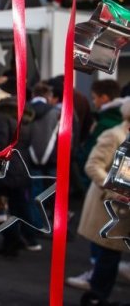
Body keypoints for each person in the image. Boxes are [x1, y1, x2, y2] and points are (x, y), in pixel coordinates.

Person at [74, 99, 130, 306]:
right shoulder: (115, 135)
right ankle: (96, 297)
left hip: (122, 207)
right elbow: (93, 166)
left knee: (111, 255)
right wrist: (117, 189)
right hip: (109, 205)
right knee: (108, 255)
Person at [0, 76, 39, 256]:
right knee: (17, 204)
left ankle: (12, 240)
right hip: (21, 165)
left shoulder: (0, 115)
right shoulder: (23, 113)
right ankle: (22, 238)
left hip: (5, 168)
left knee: (2, 205)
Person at [76, 80, 124, 190]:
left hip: (101, 181)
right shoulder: (121, 119)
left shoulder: (105, 123)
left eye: (94, 97)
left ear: (104, 98)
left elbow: (90, 153)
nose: (93, 102)